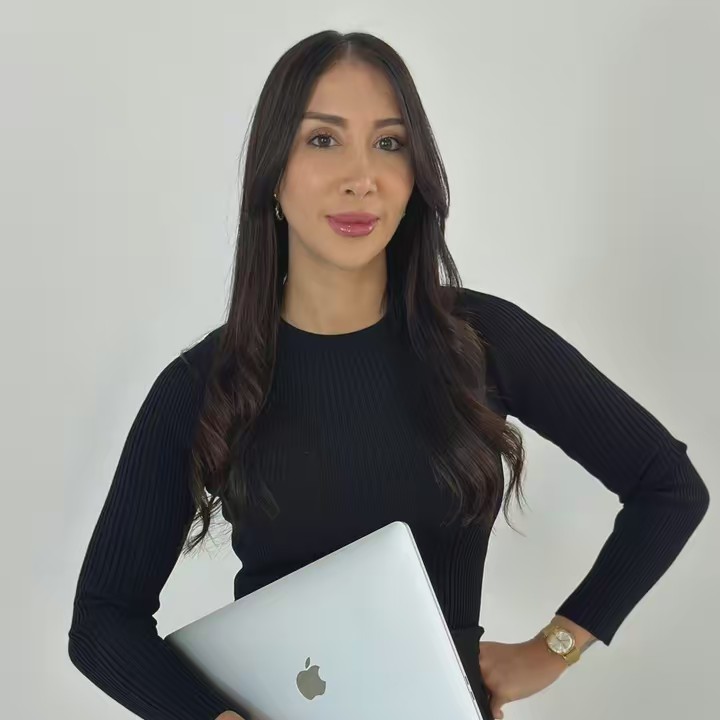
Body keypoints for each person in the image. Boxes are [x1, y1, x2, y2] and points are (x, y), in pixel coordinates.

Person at [68, 29, 710, 720]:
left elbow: (668, 486)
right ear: (273, 173)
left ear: (415, 177)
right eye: (323, 139)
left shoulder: (483, 341)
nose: (361, 177)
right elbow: (103, 620)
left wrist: (554, 647)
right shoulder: (204, 383)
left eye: (389, 143)